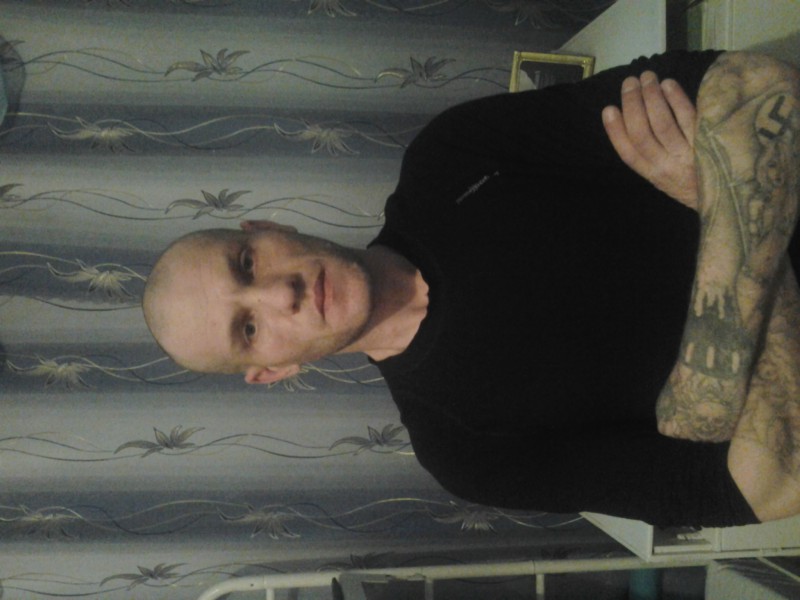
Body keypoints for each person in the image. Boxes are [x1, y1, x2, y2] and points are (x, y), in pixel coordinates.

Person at [143, 50, 800, 528]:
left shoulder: (452, 156)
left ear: (266, 228)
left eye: (246, 264)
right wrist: (720, 201)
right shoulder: (463, 452)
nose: (278, 295)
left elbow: (757, 86)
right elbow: (768, 488)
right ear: (272, 370)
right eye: (248, 328)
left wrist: (719, 363)